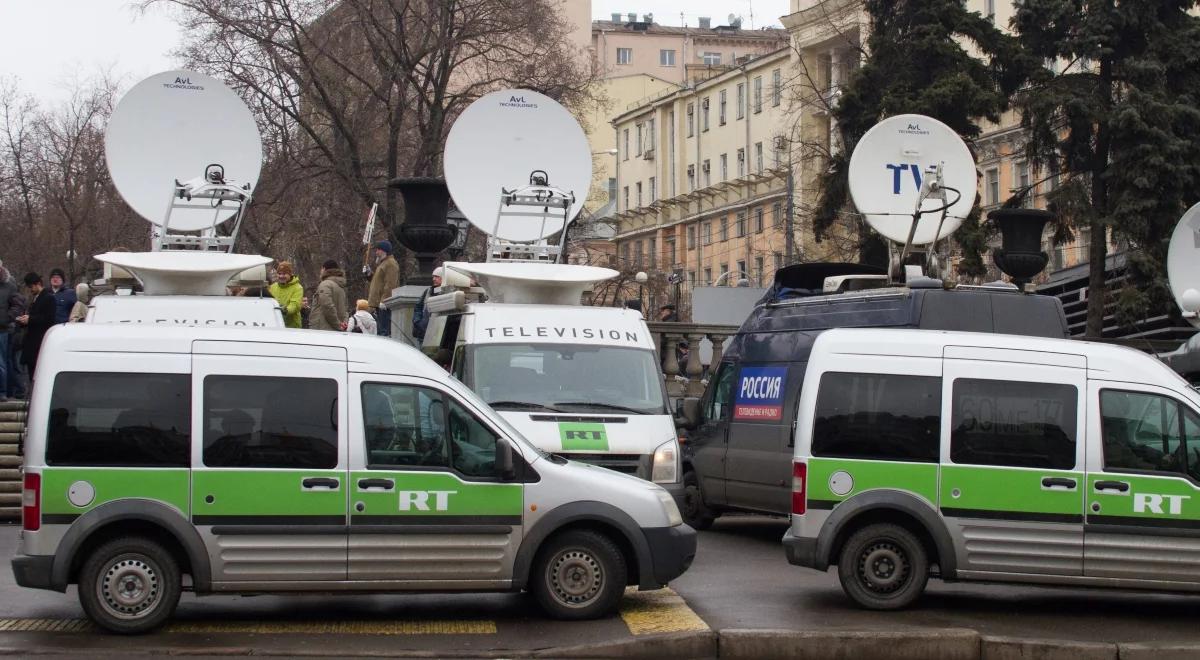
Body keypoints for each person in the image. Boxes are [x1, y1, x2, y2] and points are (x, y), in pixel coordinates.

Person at [16, 273, 56, 381]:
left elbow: (49, 319)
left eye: (31, 287)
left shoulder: (48, 298)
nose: (30, 290)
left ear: (38, 284)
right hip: (33, 340)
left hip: (39, 340)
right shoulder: (36, 298)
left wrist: (30, 319)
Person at [367, 240, 399, 337]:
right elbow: (378, 282)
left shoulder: (390, 264)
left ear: (384, 251)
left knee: (383, 332)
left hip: (384, 305)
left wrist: (385, 301)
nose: (376, 252)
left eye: (378, 250)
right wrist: (369, 275)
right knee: (381, 331)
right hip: (379, 303)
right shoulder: (383, 263)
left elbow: (390, 284)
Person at [0, 262, 20, 402]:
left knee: (2, 363)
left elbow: (18, 304)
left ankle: (2, 392)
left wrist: (7, 318)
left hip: (2, 329)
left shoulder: (9, 285)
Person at [310, 260, 348, 331]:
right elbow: (345, 309)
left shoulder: (325, 284)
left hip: (323, 328)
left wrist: (337, 324)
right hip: (336, 329)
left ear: (324, 269)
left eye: (321, 269)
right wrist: (344, 323)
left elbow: (327, 306)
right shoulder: (341, 287)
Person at [268, 261, 304, 329]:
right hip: (275, 324)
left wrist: (286, 310)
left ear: (290, 274)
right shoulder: (272, 287)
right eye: (279, 274)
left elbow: (295, 305)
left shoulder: (298, 288)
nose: (281, 276)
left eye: (284, 274)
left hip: (291, 326)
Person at [411, 270, 443, 343]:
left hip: (437, 335)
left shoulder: (448, 291)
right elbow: (418, 307)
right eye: (433, 277)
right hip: (423, 334)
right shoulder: (427, 291)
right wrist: (417, 321)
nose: (433, 279)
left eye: (437, 277)